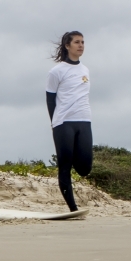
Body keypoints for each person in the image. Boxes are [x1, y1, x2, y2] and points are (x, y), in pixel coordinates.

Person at [46, 31, 91, 212]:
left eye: (82, 42)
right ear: (67, 46)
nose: (81, 45)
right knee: (64, 167)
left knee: (85, 168)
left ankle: (72, 156)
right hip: (64, 122)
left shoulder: (85, 70)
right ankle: (73, 208)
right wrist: (54, 123)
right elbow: (50, 99)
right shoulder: (57, 71)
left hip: (84, 119)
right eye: (77, 42)